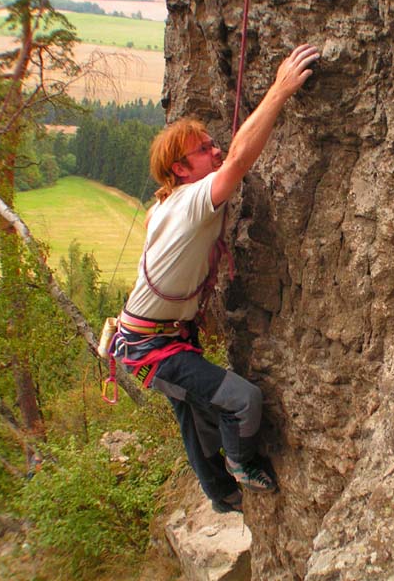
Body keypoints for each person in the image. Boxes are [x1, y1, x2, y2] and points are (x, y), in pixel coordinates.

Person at [114, 44, 320, 513]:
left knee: (195, 414)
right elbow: (239, 164)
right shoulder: (190, 201)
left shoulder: (164, 205)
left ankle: (219, 495)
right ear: (181, 170)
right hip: (152, 345)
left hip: (152, 338)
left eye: (211, 144)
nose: (215, 151)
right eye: (202, 150)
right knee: (240, 400)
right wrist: (280, 90)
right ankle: (241, 468)